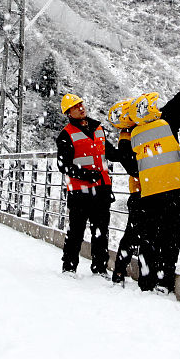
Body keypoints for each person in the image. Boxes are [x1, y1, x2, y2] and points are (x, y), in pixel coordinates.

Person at [118, 66, 180, 293]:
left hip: (148, 193)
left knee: (148, 239)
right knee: (171, 237)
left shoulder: (133, 135)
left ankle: (146, 280)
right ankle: (165, 282)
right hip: (173, 188)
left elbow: (131, 165)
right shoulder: (166, 123)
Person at [55, 92, 124, 275]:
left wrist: (129, 150)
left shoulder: (97, 128)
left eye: (81, 104)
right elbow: (63, 165)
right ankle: (69, 268)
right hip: (79, 192)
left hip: (101, 189)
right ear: (69, 113)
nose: (81, 107)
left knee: (101, 231)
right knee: (76, 231)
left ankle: (100, 268)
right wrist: (86, 174)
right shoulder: (66, 135)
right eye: (76, 106)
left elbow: (110, 153)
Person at [106, 99, 143, 285]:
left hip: (143, 190)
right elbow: (130, 164)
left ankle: (122, 270)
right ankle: (120, 271)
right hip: (140, 191)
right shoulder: (127, 135)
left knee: (135, 234)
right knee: (134, 234)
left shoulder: (132, 133)